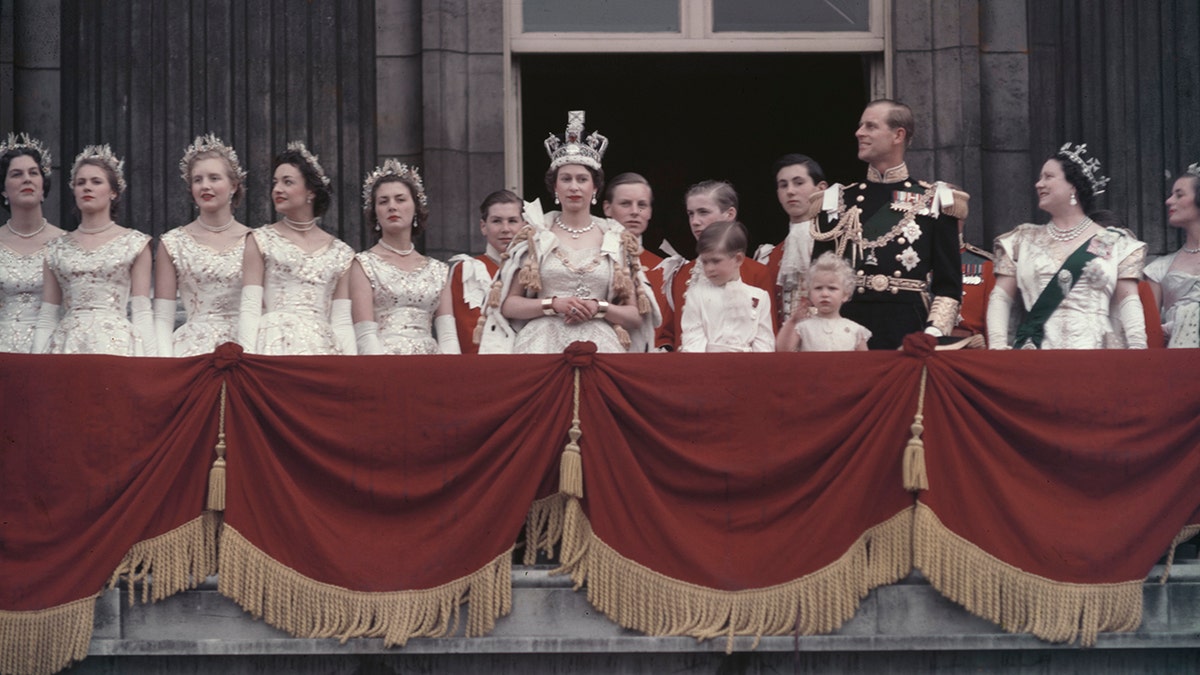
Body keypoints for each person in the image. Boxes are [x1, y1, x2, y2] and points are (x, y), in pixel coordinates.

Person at [479, 110, 658, 354]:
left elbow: (635, 315)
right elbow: (509, 304)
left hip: (601, 345)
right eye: (566, 179)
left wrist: (599, 307)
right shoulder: (535, 234)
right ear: (555, 187)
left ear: (595, 187)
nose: (574, 187)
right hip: (541, 346)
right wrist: (554, 304)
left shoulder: (615, 238)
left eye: (582, 179)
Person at [811, 99, 966, 349]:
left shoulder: (935, 200)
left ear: (898, 135)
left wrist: (933, 332)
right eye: (860, 126)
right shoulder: (837, 200)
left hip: (908, 333)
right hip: (846, 332)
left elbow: (948, 287)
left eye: (870, 126)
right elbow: (818, 276)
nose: (859, 132)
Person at [986, 143, 1147, 350]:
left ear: (1073, 186)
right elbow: (1000, 298)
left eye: (1048, 176)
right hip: (1035, 353)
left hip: (1095, 354)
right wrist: (997, 347)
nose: (1038, 184)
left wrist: (1138, 350)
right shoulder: (1021, 240)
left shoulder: (1117, 242)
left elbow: (1128, 302)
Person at [33, 144, 155, 355]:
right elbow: (48, 315)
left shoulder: (135, 243)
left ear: (113, 192)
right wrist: (35, 363)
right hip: (67, 346)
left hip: (117, 346)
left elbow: (142, 312)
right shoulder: (55, 249)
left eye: (96, 182)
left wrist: (153, 363)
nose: (87, 187)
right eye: (81, 183)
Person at [237, 141, 356, 355]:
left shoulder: (342, 253)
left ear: (310, 191)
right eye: (275, 183)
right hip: (274, 344)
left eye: (287, 182)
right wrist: (245, 360)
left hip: (323, 348)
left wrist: (351, 369)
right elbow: (249, 308)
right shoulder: (260, 240)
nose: (277, 189)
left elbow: (342, 320)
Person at [153, 134, 250, 356]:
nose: (205, 186)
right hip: (192, 350)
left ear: (233, 185)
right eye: (198, 180)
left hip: (245, 347)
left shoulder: (256, 240)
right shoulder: (173, 243)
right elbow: (163, 317)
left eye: (214, 178)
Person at [349, 160, 459, 355]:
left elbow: (448, 336)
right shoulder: (363, 264)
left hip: (432, 366)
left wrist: (450, 377)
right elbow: (365, 335)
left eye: (400, 199)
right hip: (384, 365)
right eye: (383, 201)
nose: (392, 207)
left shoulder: (438, 270)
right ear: (375, 212)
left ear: (415, 207)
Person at [656, 180, 775, 350]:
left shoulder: (756, 272)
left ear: (729, 214)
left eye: (703, 212)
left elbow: (767, 339)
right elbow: (668, 335)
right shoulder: (681, 273)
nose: (695, 221)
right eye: (691, 213)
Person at [0, 133, 64, 352]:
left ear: (43, 186)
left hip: (54, 349)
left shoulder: (65, 242)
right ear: (3, 190)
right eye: (16, 174)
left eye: (33, 173)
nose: (26, 179)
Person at [754, 154, 828, 324]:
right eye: (783, 185)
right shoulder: (769, 256)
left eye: (799, 183)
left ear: (821, 188)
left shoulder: (839, 245)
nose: (790, 191)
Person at [679, 221, 773, 353]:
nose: (709, 268)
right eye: (705, 262)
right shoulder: (696, 294)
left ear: (738, 259)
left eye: (716, 261)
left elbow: (764, 344)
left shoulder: (760, 297)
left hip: (748, 368)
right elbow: (693, 340)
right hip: (708, 368)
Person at [451, 189, 521, 354]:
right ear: (483, 226)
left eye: (512, 221)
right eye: (497, 221)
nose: (505, 229)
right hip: (487, 364)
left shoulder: (533, 272)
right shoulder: (469, 270)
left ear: (524, 225)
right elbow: (468, 333)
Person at [1144, 163, 1200, 347]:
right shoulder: (1158, 269)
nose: (1169, 201)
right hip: (1177, 362)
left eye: (1179, 194)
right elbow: (1149, 331)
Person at [777, 252, 871, 352]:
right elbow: (783, 350)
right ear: (809, 293)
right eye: (818, 288)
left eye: (832, 288)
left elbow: (864, 363)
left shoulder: (855, 330)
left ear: (845, 295)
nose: (824, 294)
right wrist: (792, 322)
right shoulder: (803, 327)